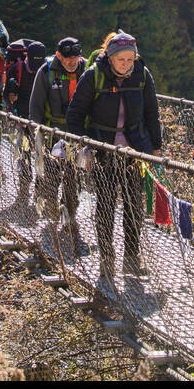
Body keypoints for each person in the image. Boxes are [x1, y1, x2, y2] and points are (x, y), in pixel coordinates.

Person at [64, 30, 161, 279]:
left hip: (134, 152)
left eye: (131, 60)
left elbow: (152, 113)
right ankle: (107, 257)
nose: (127, 65)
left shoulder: (142, 75)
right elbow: (74, 115)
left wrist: (156, 149)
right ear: (110, 57)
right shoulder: (93, 77)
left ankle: (131, 256)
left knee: (133, 206)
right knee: (105, 204)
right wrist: (82, 145)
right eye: (122, 60)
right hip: (102, 151)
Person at [28, 37, 87, 254]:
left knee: (73, 178)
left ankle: (70, 217)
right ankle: (53, 214)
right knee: (51, 178)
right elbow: (35, 106)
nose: (72, 62)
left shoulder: (86, 71)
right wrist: (38, 137)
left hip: (77, 136)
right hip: (52, 133)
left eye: (75, 58)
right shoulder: (46, 72)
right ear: (58, 55)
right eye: (67, 58)